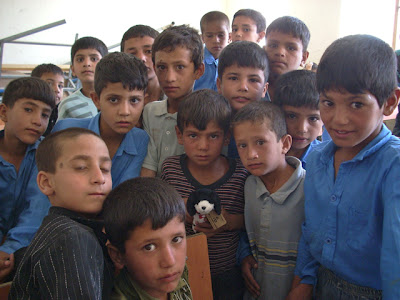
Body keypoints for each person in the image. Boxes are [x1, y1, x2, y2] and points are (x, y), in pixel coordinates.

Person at [289, 35, 400, 299]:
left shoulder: (393, 165)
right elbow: (311, 229)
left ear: (390, 102)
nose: (338, 119)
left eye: (357, 104)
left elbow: (396, 256)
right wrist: (303, 280)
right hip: (320, 283)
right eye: (328, 103)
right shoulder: (316, 158)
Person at [161, 89, 249, 300]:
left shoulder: (241, 174)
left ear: (227, 137)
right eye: (193, 135)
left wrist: (227, 221)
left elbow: (251, 222)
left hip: (228, 275)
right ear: (179, 135)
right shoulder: (170, 169)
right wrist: (178, 211)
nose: (203, 146)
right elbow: (159, 216)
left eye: (213, 136)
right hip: (181, 273)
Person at [9, 127, 114, 299]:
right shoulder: (71, 238)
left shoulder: (68, 230)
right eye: (81, 167)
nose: (99, 177)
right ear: (46, 182)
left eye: (105, 168)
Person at [232, 101, 306, 300]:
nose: (251, 154)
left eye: (260, 142)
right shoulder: (249, 185)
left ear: (285, 144)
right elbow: (247, 235)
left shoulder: (307, 187)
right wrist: (244, 256)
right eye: (242, 145)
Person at [53, 52, 149, 188]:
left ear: (144, 100)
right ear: (96, 100)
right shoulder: (66, 131)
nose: (125, 111)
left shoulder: (141, 140)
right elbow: (45, 191)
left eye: (134, 100)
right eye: (113, 100)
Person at [103, 177, 193, 300]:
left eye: (176, 239)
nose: (170, 261)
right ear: (118, 256)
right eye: (149, 247)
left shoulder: (174, 275)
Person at [0, 77, 55, 274]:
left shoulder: (45, 155)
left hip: (23, 251)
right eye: (28, 109)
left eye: (45, 115)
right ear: (4, 112)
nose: (37, 121)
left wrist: (8, 251)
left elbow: (37, 210)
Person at [140, 25, 205, 177]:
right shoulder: (150, 112)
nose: (169, 78)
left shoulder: (207, 115)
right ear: (155, 68)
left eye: (180, 67)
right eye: (162, 67)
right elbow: (149, 166)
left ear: (198, 71)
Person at [216, 40, 269, 158]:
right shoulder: (210, 123)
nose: (243, 87)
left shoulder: (270, 130)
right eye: (234, 78)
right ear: (219, 85)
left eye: (253, 80)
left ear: (264, 89)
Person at [274, 69, 322, 168]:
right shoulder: (261, 152)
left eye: (313, 118)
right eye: (292, 116)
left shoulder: (327, 161)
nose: (302, 129)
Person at [58, 36, 108, 120]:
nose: (87, 63)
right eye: (80, 59)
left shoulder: (116, 98)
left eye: (94, 59)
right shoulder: (68, 104)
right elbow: (61, 133)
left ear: (106, 66)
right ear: (73, 69)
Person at [264, 16, 310, 101]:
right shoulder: (251, 90)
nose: (280, 52)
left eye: (291, 48)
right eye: (273, 45)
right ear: (264, 50)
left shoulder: (308, 97)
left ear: (303, 58)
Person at [121, 24, 164, 105]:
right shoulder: (120, 104)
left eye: (148, 51)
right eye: (132, 54)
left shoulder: (176, 96)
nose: (141, 58)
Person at [194, 11, 230, 91]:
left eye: (221, 35)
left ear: (229, 36)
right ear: (202, 38)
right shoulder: (196, 60)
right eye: (209, 36)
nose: (216, 40)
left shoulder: (233, 60)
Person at [31, 63, 65, 136]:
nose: (57, 90)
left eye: (60, 86)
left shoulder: (63, 110)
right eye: (49, 84)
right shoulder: (28, 110)